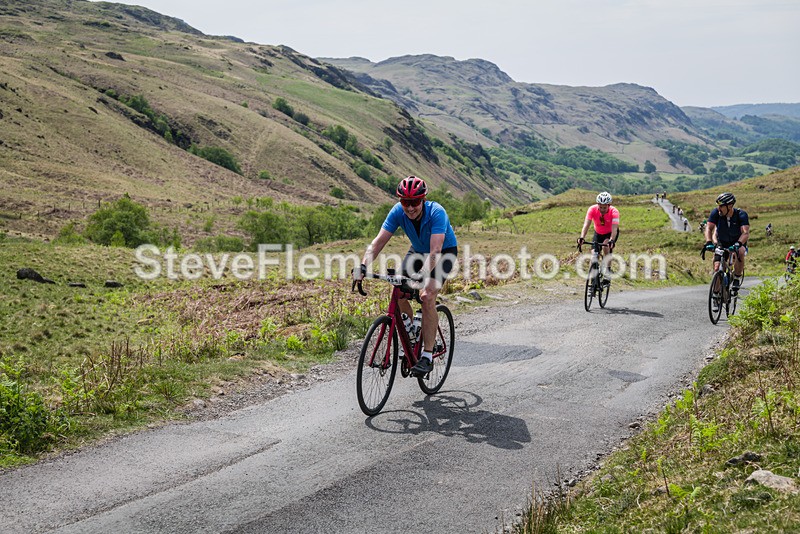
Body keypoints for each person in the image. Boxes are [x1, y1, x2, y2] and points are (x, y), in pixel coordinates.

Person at [353, 176, 458, 377]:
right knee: (399, 289)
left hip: (443, 252)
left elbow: (435, 251)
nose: (410, 208)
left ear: (423, 200)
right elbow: (377, 243)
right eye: (405, 202)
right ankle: (411, 333)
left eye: (415, 202)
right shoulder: (397, 212)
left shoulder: (437, 212)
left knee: (427, 296)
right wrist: (363, 266)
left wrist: (421, 276)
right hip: (417, 251)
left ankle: (427, 356)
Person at [703, 192, 749, 292]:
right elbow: (709, 228)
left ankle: (736, 278)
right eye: (718, 206)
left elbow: (745, 233)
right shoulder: (716, 213)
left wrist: (738, 244)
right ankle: (715, 294)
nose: (719, 208)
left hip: (737, 242)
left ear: (730, 206)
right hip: (722, 242)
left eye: (722, 206)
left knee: (740, 252)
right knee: (717, 268)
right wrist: (709, 242)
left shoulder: (741, 214)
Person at [578, 191, 619, 284]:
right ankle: (592, 282)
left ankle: (607, 272)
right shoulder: (592, 209)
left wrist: (611, 240)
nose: (602, 209)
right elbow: (586, 225)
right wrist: (582, 237)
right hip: (598, 233)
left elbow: (614, 229)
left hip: (610, 233)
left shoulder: (614, 212)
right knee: (593, 256)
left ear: (609, 205)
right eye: (600, 207)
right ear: (597, 205)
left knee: (605, 247)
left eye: (605, 207)